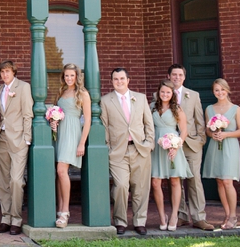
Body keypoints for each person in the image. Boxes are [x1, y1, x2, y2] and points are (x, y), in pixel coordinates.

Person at [100, 68, 154, 235]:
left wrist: (149, 143)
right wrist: (108, 148)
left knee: (141, 187)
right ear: (112, 81)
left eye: (122, 78)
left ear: (128, 80)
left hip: (140, 149)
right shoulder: (105, 100)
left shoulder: (140, 98)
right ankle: (120, 221)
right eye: (115, 79)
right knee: (121, 186)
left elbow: (148, 123)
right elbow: (104, 126)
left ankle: (139, 221)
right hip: (118, 152)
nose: (119, 81)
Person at [167, 65, 212, 231]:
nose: (177, 77)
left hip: (192, 143)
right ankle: (181, 215)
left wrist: (200, 139)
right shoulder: (162, 94)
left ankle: (199, 217)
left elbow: (199, 119)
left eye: (180, 75)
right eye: (174, 75)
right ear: (169, 76)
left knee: (194, 180)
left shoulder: (193, 95)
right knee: (176, 179)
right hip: (172, 144)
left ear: (184, 77)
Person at [0, 60, 32, 235]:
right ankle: (5, 218)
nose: (5, 75)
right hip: (2, 139)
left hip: (19, 140)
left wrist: (27, 139)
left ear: (13, 72)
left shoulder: (23, 87)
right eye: (2, 72)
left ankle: (16, 219)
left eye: (7, 71)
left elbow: (27, 114)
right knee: (3, 181)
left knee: (16, 180)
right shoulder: (0, 90)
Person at [50, 63, 91, 229]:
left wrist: (82, 142)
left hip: (73, 133)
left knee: (61, 170)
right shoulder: (61, 92)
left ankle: (65, 212)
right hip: (60, 134)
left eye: (72, 76)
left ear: (77, 77)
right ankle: (59, 209)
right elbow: (57, 112)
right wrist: (54, 122)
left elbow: (87, 120)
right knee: (59, 173)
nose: (69, 78)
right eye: (66, 75)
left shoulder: (83, 94)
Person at [150, 79, 192, 231]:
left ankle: (174, 214)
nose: (165, 94)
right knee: (155, 182)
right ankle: (162, 216)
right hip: (157, 146)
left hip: (173, 146)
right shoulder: (152, 107)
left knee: (175, 181)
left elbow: (184, 131)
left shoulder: (177, 109)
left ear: (172, 94)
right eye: (162, 92)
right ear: (158, 93)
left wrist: (176, 145)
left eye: (168, 92)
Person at [202, 78, 240, 230]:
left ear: (227, 90)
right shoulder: (209, 109)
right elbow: (207, 130)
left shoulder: (236, 109)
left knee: (228, 181)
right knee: (219, 181)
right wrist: (211, 134)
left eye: (222, 89)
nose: (220, 93)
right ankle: (227, 214)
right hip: (215, 145)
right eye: (216, 90)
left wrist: (226, 135)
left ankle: (233, 215)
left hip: (230, 146)